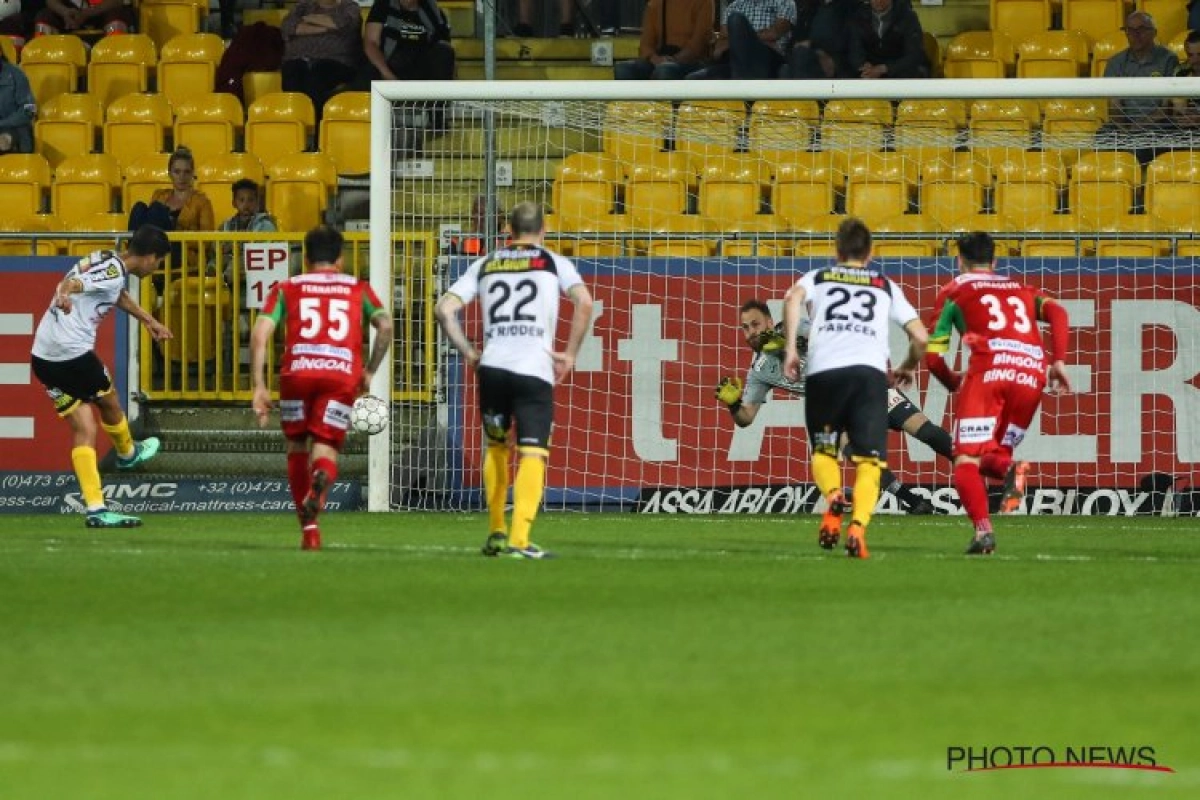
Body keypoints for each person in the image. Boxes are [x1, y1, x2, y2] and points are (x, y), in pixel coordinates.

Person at [434, 202, 594, 559]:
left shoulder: (487, 262)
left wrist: (469, 352)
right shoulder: (553, 262)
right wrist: (569, 354)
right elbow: (584, 303)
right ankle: (521, 539)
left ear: (509, 230)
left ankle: (495, 532)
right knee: (533, 451)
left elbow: (443, 309)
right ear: (544, 229)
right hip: (533, 369)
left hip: (492, 368)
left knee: (495, 448)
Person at [715, 298, 954, 515]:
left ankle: (975, 467)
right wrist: (734, 404)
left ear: (769, 321)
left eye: (755, 325)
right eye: (745, 328)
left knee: (928, 433)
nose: (750, 333)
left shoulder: (794, 327)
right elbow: (745, 418)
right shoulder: (759, 371)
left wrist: (790, 344)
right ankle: (913, 503)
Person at [779, 217, 928, 559]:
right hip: (868, 377)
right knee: (869, 463)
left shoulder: (817, 277)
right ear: (871, 252)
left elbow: (791, 299)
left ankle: (833, 495)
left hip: (824, 374)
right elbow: (921, 336)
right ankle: (858, 527)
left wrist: (790, 349)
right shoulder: (885, 285)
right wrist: (907, 366)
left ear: (837, 250)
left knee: (825, 450)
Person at [925, 232, 1071, 555]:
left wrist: (951, 381)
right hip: (1031, 374)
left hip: (990, 371)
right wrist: (1058, 361)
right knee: (991, 458)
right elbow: (1059, 313)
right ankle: (1008, 467)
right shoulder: (1021, 289)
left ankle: (983, 531)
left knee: (965, 457)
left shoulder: (954, 290)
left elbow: (933, 355)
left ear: (958, 261)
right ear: (995, 262)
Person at [250, 225, 394, 551]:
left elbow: (260, 334)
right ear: (340, 258)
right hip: (340, 377)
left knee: (297, 446)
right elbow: (385, 325)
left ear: (307, 257)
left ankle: (310, 531)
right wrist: (369, 371)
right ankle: (321, 482)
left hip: (297, 374)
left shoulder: (288, 288)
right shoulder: (359, 288)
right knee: (325, 448)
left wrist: (259, 386)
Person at [29, 225, 172, 529]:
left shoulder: (108, 261)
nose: (156, 268)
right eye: (158, 261)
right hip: (71, 356)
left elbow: (113, 294)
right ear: (148, 257)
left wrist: (149, 320)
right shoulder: (111, 270)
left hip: (43, 357)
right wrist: (63, 295)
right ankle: (128, 453)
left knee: (84, 427)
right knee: (110, 399)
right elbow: (74, 283)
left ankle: (96, 509)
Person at [1097, 11, 1178, 163]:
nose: (1135, 34)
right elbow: (1114, 106)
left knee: (1141, 146)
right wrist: (1124, 131)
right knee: (1102, 137)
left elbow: (1167, 107)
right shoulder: (1116, 62)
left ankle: (1138, 182)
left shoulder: (1168, 59)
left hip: (1157, 124)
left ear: (1153, 33)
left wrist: (1137, 127)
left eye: (1141, 29)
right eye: (1130, 30)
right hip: (1125, 125)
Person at [280, 0, 362, 122]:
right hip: (298, 58)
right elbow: (288, 27)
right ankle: (297, 129)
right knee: (292, 77)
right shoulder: (302, 6)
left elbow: (343, 24)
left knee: (315, 79)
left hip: (336, 61)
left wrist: (306, 20)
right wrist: (328, 28)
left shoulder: (349, 7)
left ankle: (318, 130)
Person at [689, 0, 796, 81]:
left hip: (766, 60)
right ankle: (743, 80)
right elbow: (719, 48)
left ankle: (742, 85)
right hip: (733, 61)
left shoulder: (785, 2)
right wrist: (757, 38)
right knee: (691, 80)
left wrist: (738, 38)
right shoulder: (734, 6)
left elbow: (774, 33)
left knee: (736, 20)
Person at [613, 0, 713, 80]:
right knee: (623, 68)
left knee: (664, 70)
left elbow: (698, 44)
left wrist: (674, 60)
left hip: (691, 62)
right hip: (660, 58)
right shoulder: (655, 4)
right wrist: (654, 58)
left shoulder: (704, 2)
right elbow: (646, 44)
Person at [215, 178, 278, 287]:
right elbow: (218, 245)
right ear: (234, 203)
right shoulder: (226, 224)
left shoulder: (265, 224)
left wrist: (237, 247)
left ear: (257, 202)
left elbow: (263, 249)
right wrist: (222, 248)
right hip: (230, 259)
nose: (246, 204)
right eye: (241, 200)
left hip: (254, 263)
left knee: (236, 264)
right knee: (216, 262)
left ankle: (224, 282)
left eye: (251, 200)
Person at [845, 0, 929, 80]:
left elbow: (914, 55)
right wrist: (863, 64)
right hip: (870, 73)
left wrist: (885, 69)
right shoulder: (858, 16)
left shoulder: (908, 17)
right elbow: (854, 49)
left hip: (900, 72)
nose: (879, 1)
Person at [784, 0, 854, 80]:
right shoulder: (810, 8)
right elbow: (791, 44)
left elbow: (848, 41)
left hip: (834, 60)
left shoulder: (849, 7)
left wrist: (814, 45)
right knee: (785, 70)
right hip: (806, 56)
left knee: (800, 56)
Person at [0, 46, 34, 155]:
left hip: (15, 131)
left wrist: (3, 123)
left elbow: (30, 110)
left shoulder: (16, 75)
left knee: (4, 141)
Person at [33, 0, 134, 36]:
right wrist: (65, 12)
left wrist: (86, 13)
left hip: (100, 12)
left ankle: (115, 58)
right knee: (44, 17)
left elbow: (116, 1)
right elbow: (51, 1)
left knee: (116, 17)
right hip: (69, 15)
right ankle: (47, 61)